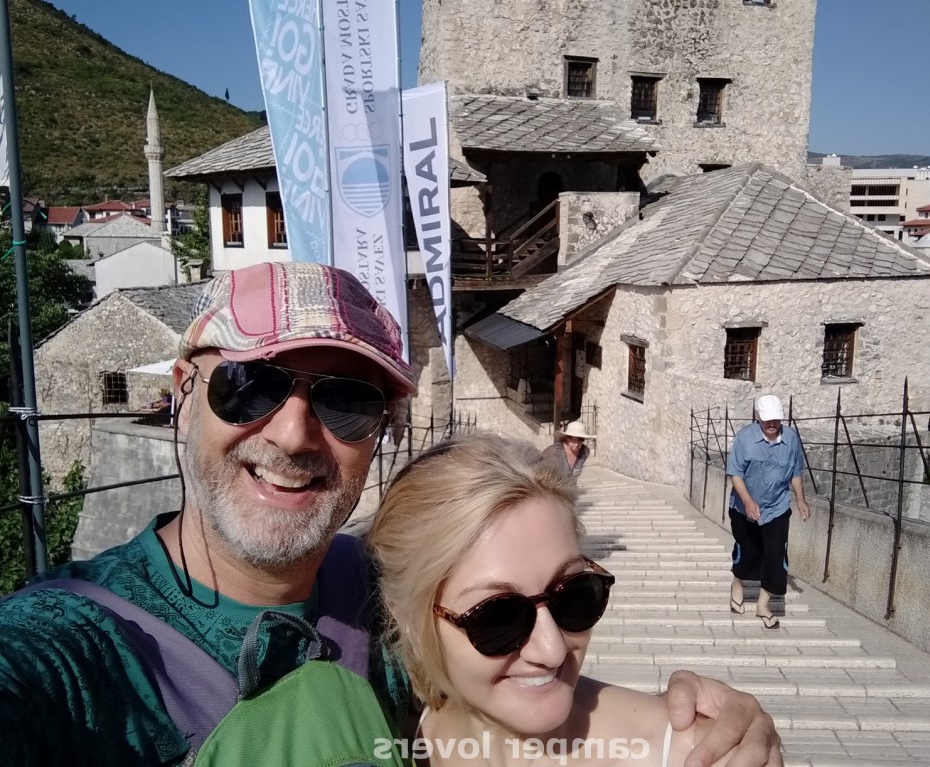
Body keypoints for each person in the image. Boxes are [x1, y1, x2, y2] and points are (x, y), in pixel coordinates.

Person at [0, 261, 780, 766]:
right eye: (251, 385)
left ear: (382, 431)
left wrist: (698, 733)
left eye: (346, 401)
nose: (294, 434)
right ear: (181, 393)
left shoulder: (384, 592)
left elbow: (496, 690)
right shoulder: (75, 644)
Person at [369, 433, 762, 767]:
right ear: (406, 616)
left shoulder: (693, 754)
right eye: (498, 617)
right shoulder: (393, 738)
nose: (552, 650)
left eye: (574, 595)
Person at [726, 394, 812, 629]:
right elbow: (735, 473)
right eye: (767, 420)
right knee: (748, 552)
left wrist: (800, 499)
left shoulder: (791, 439)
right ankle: (737, 584)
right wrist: (748, 501)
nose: (772, 424)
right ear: (759, 418)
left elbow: (795, 471)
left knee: (776, 555)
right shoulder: (745, 438)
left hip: (777, 507)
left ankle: (763, 605)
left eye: (776, 419)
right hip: (743, 508)